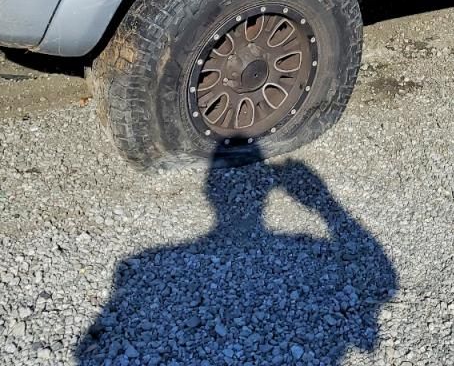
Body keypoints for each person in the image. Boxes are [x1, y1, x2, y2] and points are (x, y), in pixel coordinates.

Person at [76, 152, 397, 365]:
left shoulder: (145, 265)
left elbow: (87, 354)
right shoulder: (311, 250)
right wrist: (327, 206)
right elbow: (383, 285)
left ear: (207, 197)